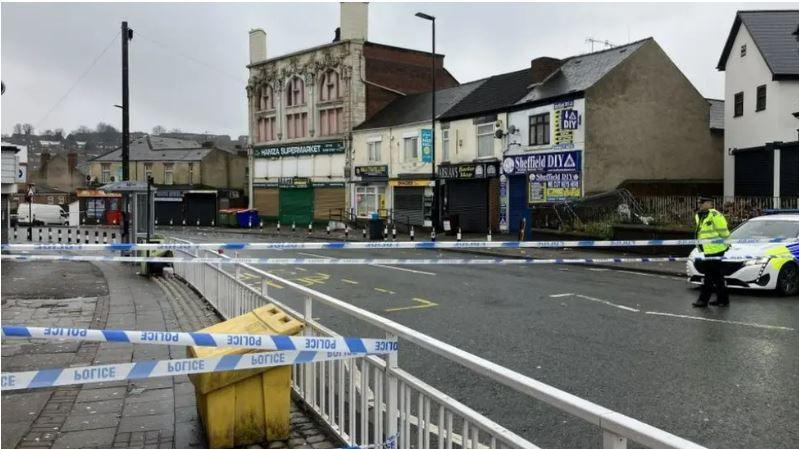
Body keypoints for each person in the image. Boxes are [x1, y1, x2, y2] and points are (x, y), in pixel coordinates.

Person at [692, 197, 731, 307]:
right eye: (699, 202)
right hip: (708, 250)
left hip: (717, 249)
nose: (699, 204)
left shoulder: (715, 215)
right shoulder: (698, 215)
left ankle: (703, 300)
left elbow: (724, 232)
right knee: (717, 276)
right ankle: (722, 299)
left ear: (709, 203)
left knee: (709, 276)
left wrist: (725, 242)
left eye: (702, 203)